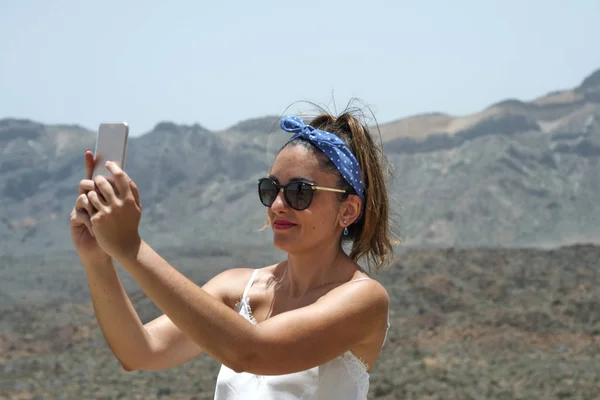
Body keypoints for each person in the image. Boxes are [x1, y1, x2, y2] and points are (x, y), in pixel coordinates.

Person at [70, 109, 397, 399]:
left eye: (300, 192)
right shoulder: (235, 288)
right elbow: (140, 351)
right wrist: (98, 258)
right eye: (271, 190)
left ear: (348, 210)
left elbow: (252, 352)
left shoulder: (363, 300)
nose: (279, 206)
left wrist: (131, 247)